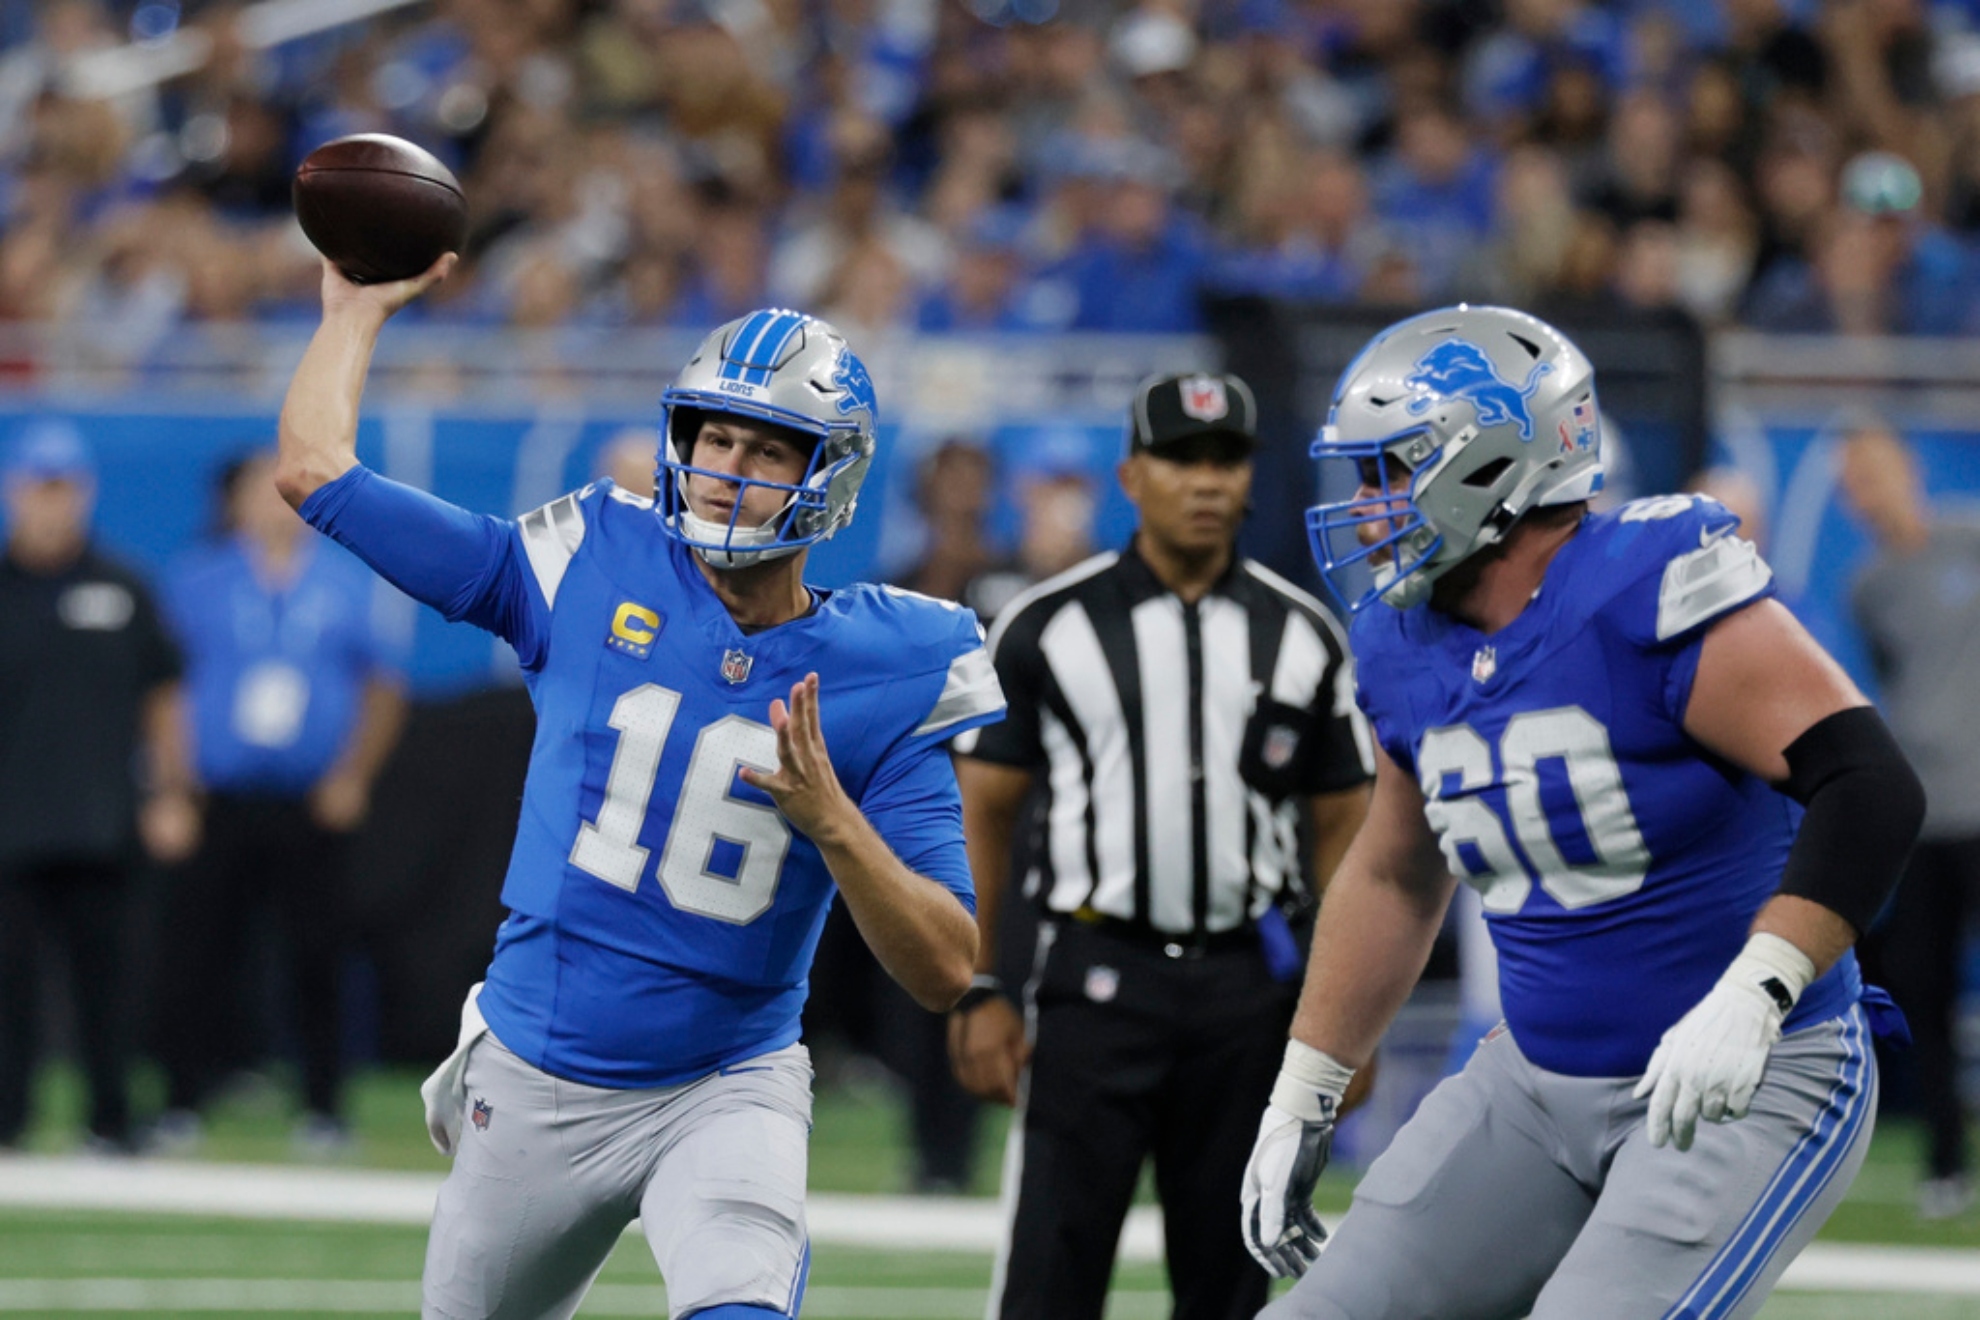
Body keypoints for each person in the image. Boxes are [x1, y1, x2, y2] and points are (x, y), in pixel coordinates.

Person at [275, 265, 1006, 1320]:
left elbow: (947, 966)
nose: (726, 469)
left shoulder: (891, 662)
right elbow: (314, 473)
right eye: (714, 437)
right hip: (532, 1081)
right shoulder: (587, 561)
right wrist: (351, 315)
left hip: (724, 1083)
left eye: (765, 448)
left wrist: (836, 824)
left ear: (828, 478)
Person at [1241, 305, 1924, 1319]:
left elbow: (1869, 785)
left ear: (1491, 464)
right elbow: (1393, 872)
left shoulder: (1640, 589)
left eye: (1391, 471)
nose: (1369, 505)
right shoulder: (1402, 640)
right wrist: (1306, 1087)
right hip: (1532, 1079)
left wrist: (1757, 990)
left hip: (1746, 1076)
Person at [949, 371, 1374, 1320]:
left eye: (1225, 460)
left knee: (1230, 1279)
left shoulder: (1305, 634)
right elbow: (981, 811)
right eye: (1182, 459)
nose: (1206, 481)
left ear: (1251, 477)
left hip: (1247, 992)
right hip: (1095, 978)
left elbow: (1347, 834)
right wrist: (980, 983)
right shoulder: (1047, 625)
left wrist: (1349, 1018)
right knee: (1050, 1274)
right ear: (1132, 475)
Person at [148, 449, 408, 1155]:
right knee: (197, 953)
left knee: (318, 956)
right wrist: (172, 785)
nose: (272, 508)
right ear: (234, 504)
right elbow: (164, 688)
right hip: (220, 795)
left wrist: (353, 776)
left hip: (308, 798)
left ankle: (324, 1107)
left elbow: (384, 686)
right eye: (257, 495)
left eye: (283, 494)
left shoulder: (344, 582)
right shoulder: (198, 579)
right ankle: (180, 1101)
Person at [0, 420, 196, 1153]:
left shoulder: (122, 587)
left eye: (65, 488)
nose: (52, 505)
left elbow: (163, 696)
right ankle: (7, 1125)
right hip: (12, 823)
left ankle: (111, 1121)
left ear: (84, 493)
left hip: (105, 819)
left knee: (109, 987)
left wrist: (173, 792)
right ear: (15, 491)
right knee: (8, 990)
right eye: (39, 487)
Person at [1837, 417, 1980, 1220]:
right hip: (1924, 821)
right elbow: (1897, 678)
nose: (1865, 493)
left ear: (1909, 468)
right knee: (1922, 993)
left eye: (1872, 473)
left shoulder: (1970, 540)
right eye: (1852, 483)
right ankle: (1944, 1166)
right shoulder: (1867, 586)